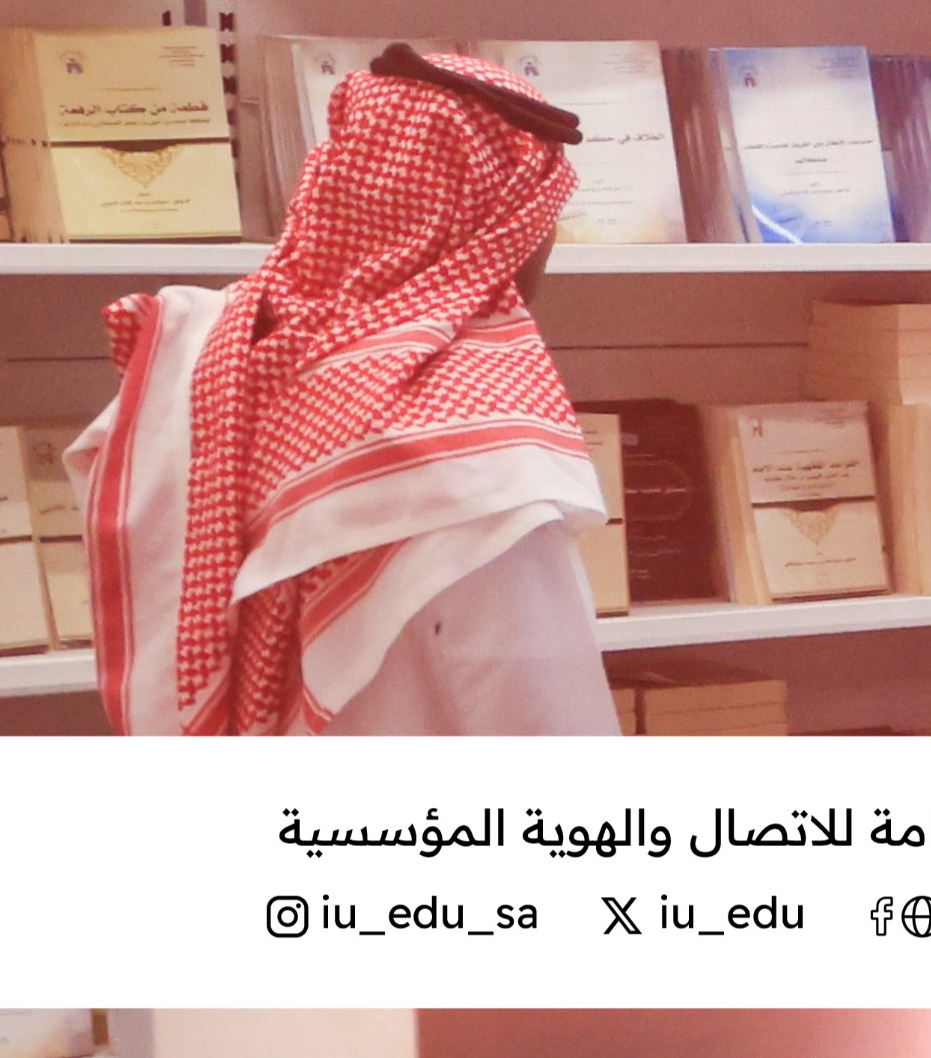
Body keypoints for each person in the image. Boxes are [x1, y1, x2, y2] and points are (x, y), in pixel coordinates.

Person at [68, 45, 615, 735]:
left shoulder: (198, 359)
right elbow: (546, 719)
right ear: (499, 220)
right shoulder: (480, 460)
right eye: (541, 211)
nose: (546, 236)